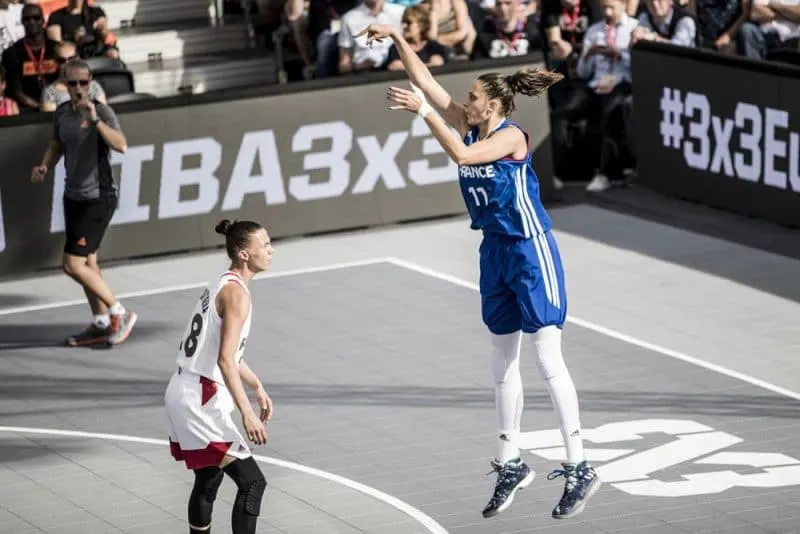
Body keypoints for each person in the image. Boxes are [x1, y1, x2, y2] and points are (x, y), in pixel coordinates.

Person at [356, 23, 601, 521]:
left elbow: (463, 154)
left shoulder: (509, 137)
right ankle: (511, 461)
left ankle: (580, 465)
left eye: (471, 96)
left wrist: (425, 113)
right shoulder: (472, 120)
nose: (463, 101)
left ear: (491, 104)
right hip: (494, 251)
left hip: (530, 252)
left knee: (548, 357)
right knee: (500, 358)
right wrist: (398, 38)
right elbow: (427, 81)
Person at [165, 218, 274, 534]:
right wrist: (248, 413)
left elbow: (226, 354)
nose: (271, 251)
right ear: (243, 253)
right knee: (252, 483)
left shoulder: (221, 282)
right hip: (199, 397)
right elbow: (226, 362)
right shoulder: (237, 295)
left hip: (183, 388)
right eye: (264, 245)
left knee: (209, 477)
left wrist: (257, 385)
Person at [31, 57, 136, 347]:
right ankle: (101, 322)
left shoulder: (101, 111)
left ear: (90, 84)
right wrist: (44, 166)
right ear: (65, 84)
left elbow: (122, 145)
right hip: (72, 196)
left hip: (98, 198)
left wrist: (96, 122)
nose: (78, 88)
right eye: (72, 83)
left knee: (72, 265)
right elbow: (56, 144)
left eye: (83, 82)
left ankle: (120, 312)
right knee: (89, 261)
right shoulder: (62, 113)